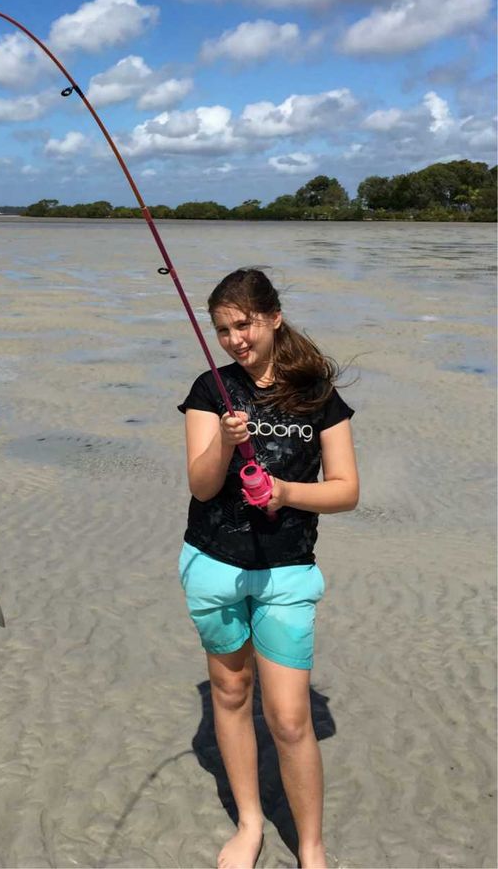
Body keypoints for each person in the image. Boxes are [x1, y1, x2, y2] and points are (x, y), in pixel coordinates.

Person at [178, 268, 359, 869]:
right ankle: (250, 824)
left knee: (288, 717)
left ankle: (311, 846)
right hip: (214, 564)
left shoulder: (318, 397)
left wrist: (285, 493)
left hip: (286, 571)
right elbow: (202, 488)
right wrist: (226, 444)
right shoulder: (211, 390)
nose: (235, 339)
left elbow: (346, 490)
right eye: (224, 329)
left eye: (244, 324)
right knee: (230, 691)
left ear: (273, 317)